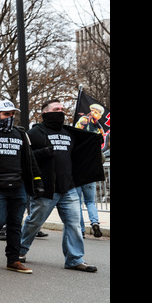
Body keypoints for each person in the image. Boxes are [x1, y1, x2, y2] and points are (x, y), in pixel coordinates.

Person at [19, 99, 105, 272]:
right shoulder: (35, 132)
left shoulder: (69, 132)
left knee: (73, 223)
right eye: (56, 109)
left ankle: (74, 259)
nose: (61, 111)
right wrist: (42, 153)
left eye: (62, 109)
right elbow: (24, 157)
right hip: (46, 189)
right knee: (35, 222)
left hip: (69, 187)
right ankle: (19, 251)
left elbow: (80, 153)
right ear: (45, 113)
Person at [0, 100, 44, 273]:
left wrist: (37, 181)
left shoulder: (20, 134)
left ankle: (13, 260)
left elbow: (30, 160)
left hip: (18, 185)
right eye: (6, 114)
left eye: (12, 114)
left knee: (15, 224)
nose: (10, 117)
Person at [74, 104, 106, 237]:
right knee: (90, 201)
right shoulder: (99, 128)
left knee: (77, 203)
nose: (93, 113)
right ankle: (95, 223)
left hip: (78, 173)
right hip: (91, 173)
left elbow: (75, 133)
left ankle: (81, 230)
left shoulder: (83, 121)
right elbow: (102, 157)